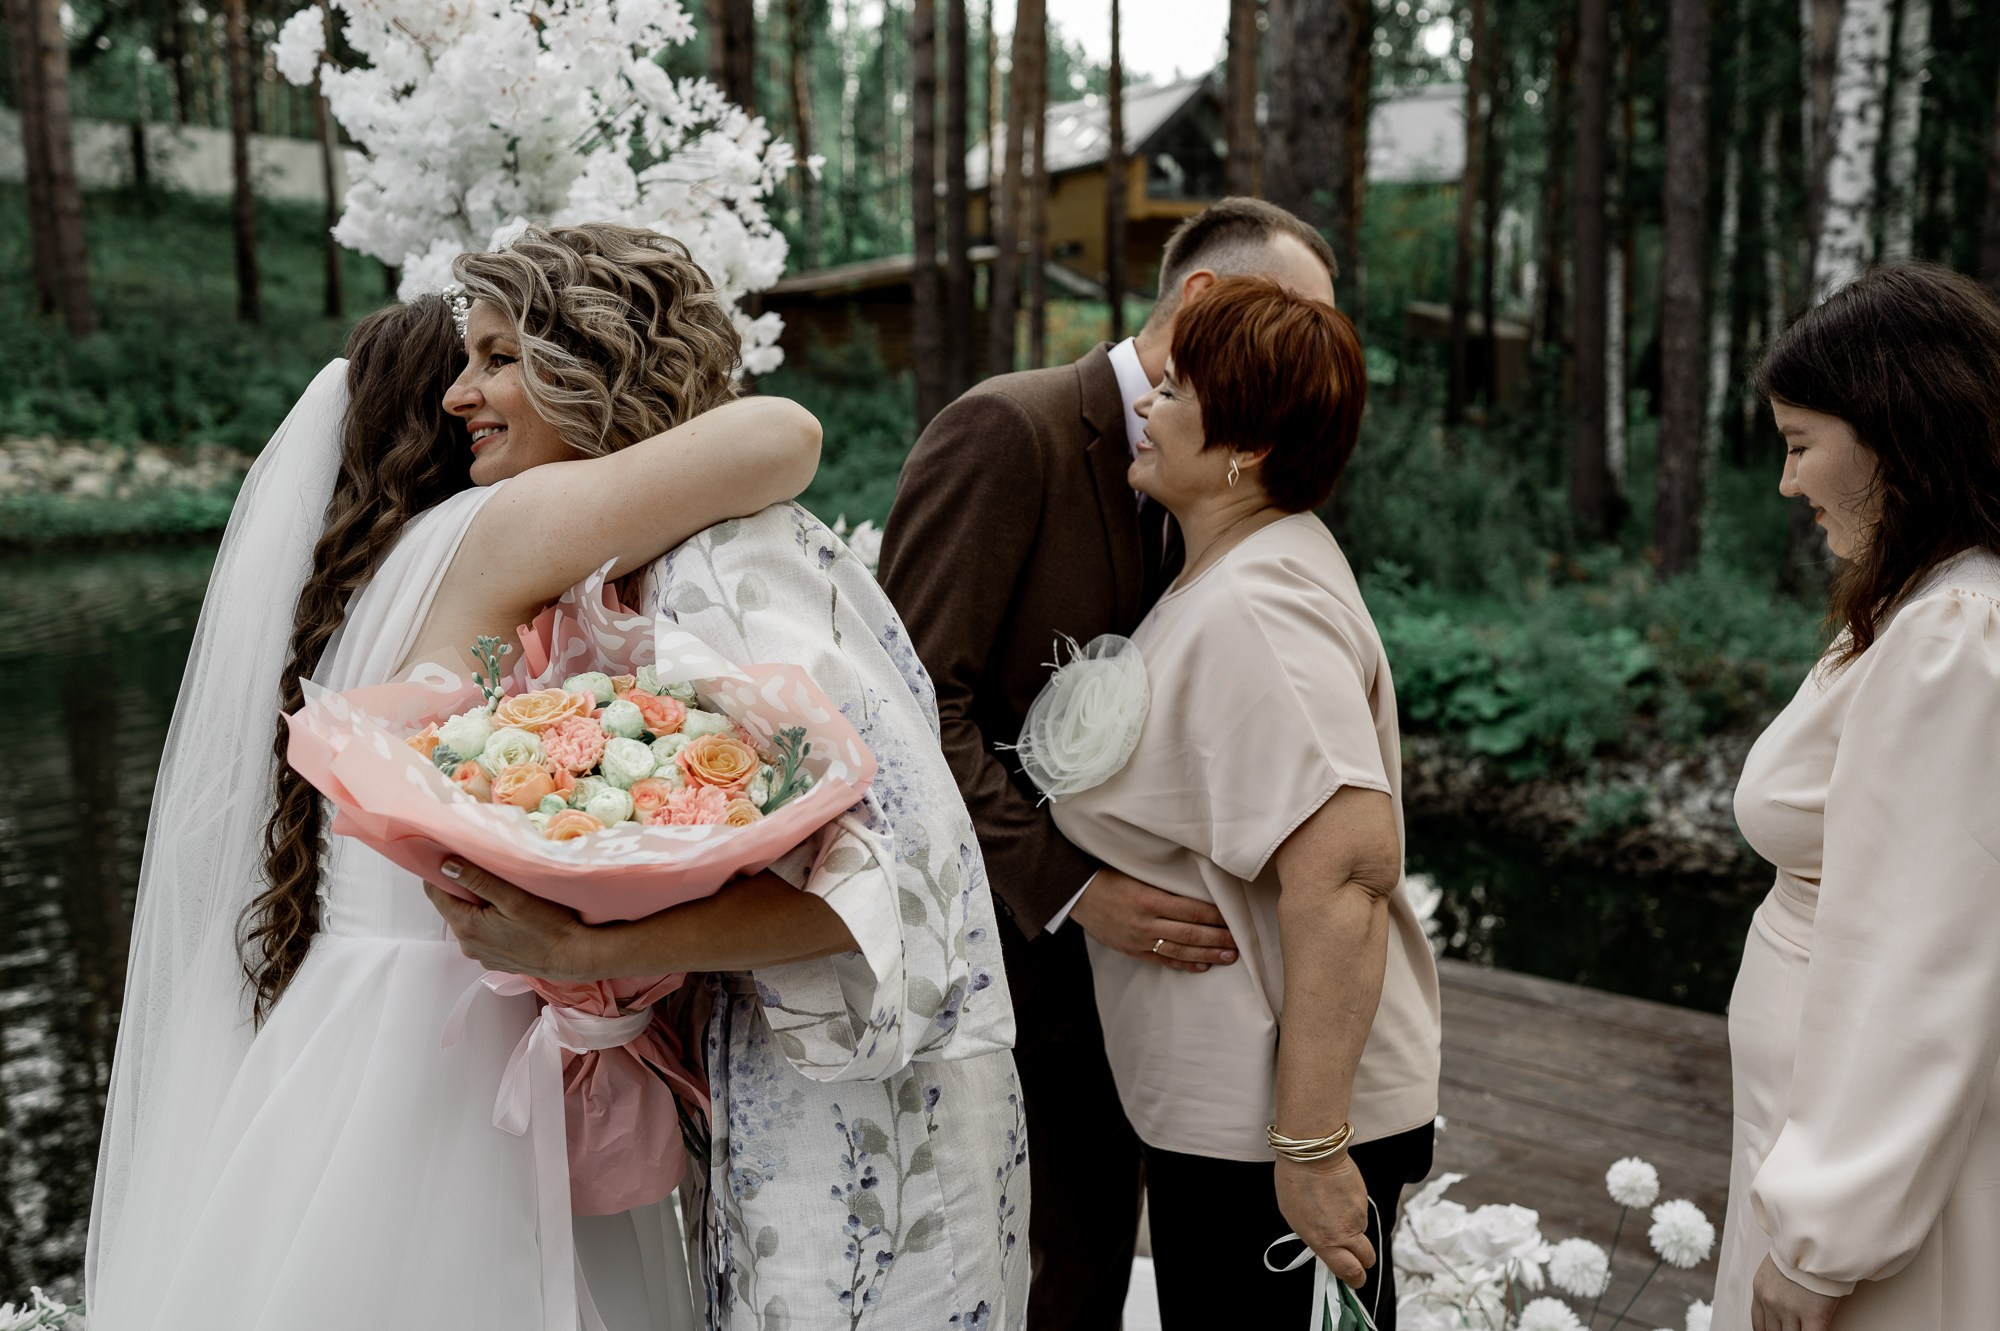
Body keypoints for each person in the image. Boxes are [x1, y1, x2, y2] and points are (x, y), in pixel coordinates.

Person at [87, 230, 823, 1330]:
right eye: (465, 365)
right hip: (451, 1051)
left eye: (497, 361)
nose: (465, 393)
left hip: (349, 1030)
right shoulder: (490, 526)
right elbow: (782, 433)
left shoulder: (373, 576)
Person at [424, 226, 1030, 1330]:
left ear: (595, 360)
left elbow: (890, 888)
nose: (459, 390)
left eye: (497, 355)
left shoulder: (734, 572)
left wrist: (589, 950)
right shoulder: (653, 567)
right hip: (776, 1075)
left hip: (870, 1118)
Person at [878, 197, 1342, 1330]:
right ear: (1200, 302)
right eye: (1291, 318)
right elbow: (906, 701)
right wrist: (1075, 890)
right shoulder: (1010, 429)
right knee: (1027, 1263)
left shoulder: (1243, 466)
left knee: (1112, 1256)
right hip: (1015, 960)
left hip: (1169, 991)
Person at [1021, 277, 1438, 1329]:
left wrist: (1308, 1148)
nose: (1147, 406)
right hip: (1226, 1115)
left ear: (1244, 442)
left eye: (1173, 389)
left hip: (1274, 1135)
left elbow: (1343, 867)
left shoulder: (1263, 605)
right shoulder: (1225, 569)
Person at [1713, 261, 2000, 1331]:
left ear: (1893, 433)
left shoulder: (1952, 633)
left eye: (1798, 444)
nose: (1786, 483)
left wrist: (1821, 1238)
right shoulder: (1919, 602)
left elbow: (1916, 946)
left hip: (1857, 1180)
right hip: (1816, 1136)